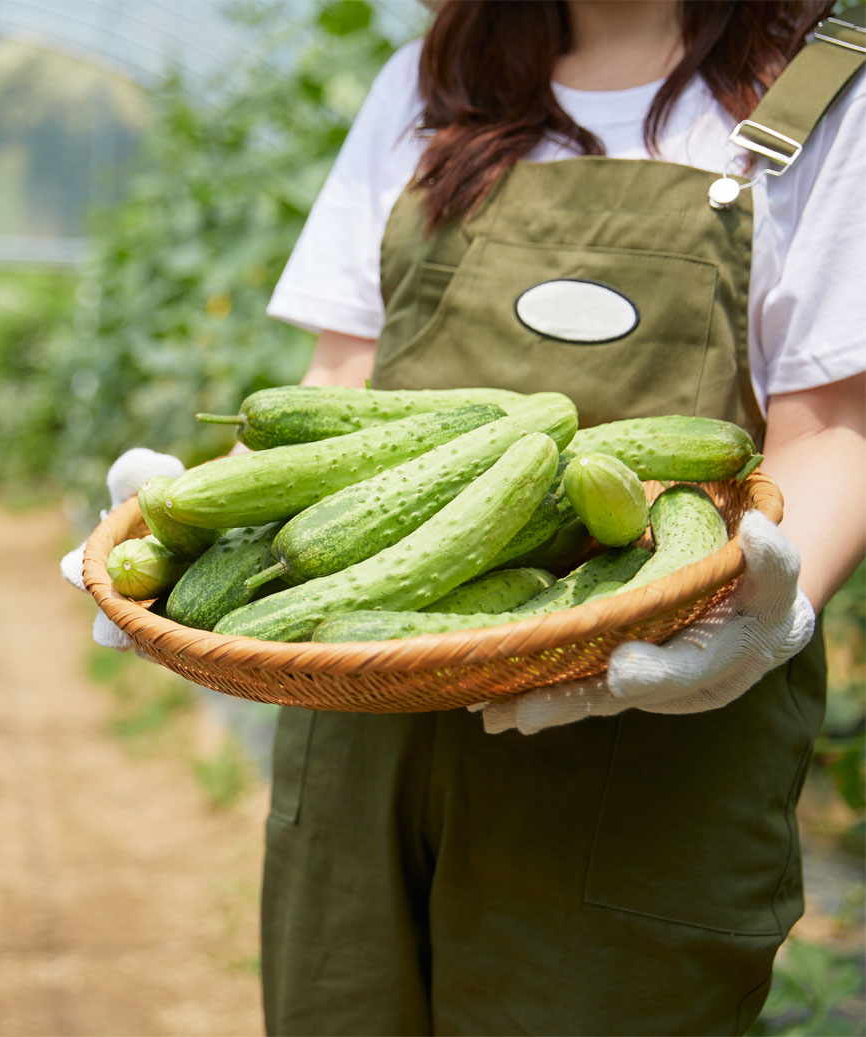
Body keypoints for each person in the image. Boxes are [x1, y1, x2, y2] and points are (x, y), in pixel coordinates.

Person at [254, 2, 866, 1034]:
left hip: (650, 738)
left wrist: (752, 623)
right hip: (359, 710)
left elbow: (837, 425)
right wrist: (182, 534)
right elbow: (339, 378)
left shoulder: (824, 91)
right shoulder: (423, 88)